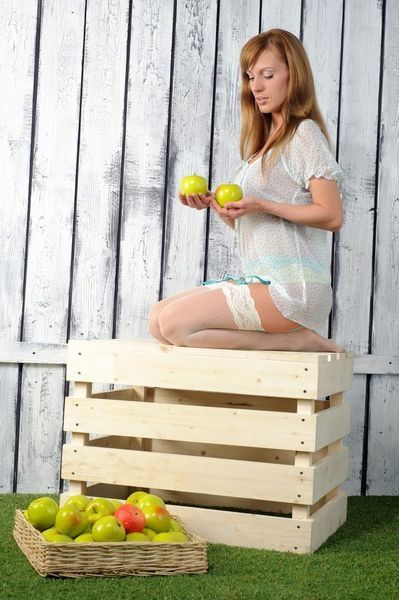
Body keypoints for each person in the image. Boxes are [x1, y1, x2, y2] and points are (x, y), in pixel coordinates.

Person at [148, 29, 345, 353]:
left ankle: (296, 341)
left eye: (268, 75)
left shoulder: (303, 134)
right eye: (252, 76)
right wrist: (221, 208)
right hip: (262, 281)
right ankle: (290, 340)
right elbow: (254, 225)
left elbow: (332, 215)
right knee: (158, 321)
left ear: (292, 76)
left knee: (174, 324)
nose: (256, 86)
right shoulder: (260, 150)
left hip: (295, 288)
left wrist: (263, 205)